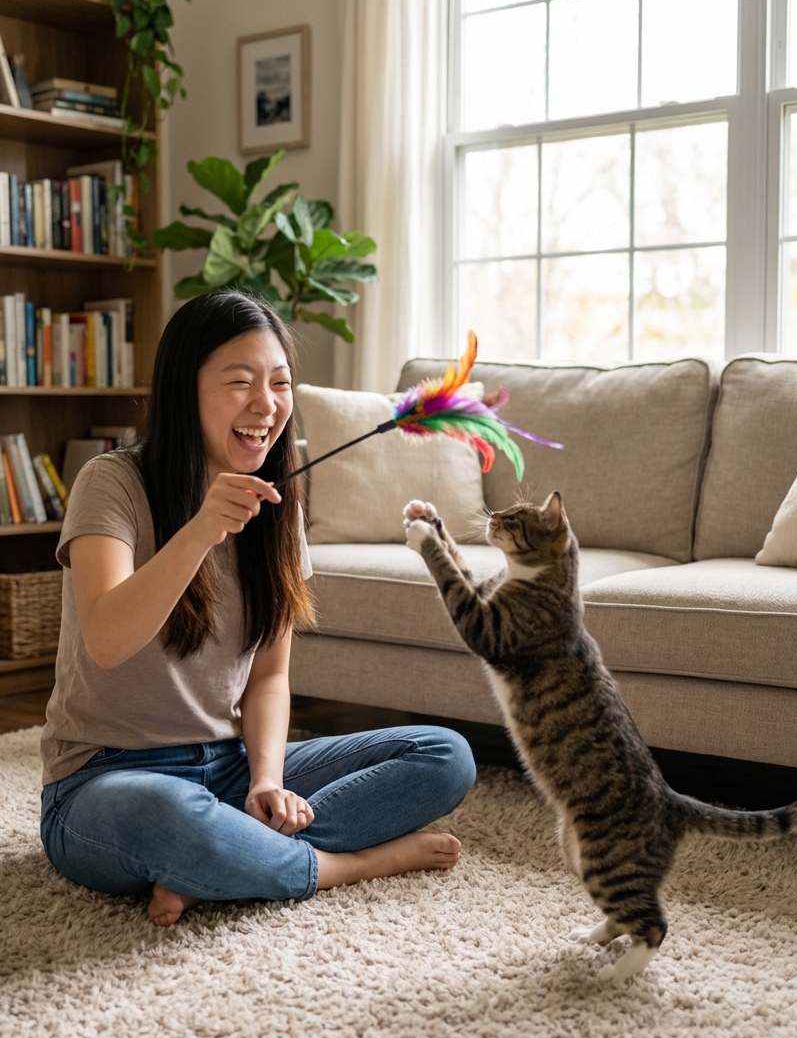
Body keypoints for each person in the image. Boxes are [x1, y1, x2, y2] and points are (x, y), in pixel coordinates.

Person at [40, 290, 476, 926]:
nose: (265, 405)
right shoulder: (112, 483)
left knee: (444, 756)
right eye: (239, 382)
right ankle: (343, 866)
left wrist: (265, 782)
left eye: (280, 383)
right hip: (102, 781)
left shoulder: (279, 510)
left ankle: (217, 867)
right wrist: (199, 531)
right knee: (164, 816)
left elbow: (269, 676)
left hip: (227, 765)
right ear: (182, 390)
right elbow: (105, 638)